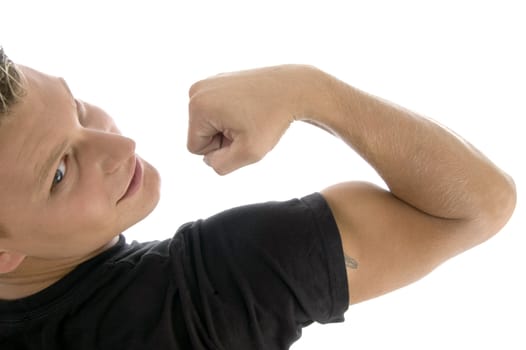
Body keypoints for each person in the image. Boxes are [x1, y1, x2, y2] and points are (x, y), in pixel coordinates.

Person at [0, 46, 516, 349]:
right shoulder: (209, 295)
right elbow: (481, 204)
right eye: (60, 173)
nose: (121, 146)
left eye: (78, 108)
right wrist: (308, 91)